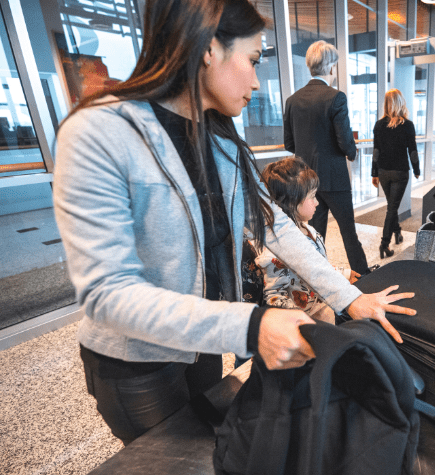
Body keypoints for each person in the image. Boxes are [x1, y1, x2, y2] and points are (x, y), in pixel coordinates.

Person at [52, 0, 415, 445]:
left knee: (215, 449)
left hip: (202, 344)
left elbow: (276, 226)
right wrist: (250, 325)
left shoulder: (219, 135)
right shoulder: (99, 132)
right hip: (137, 364)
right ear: (209, 49)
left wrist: (350, 299)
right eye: (253, 59)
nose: (257, 80)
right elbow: (107, 294)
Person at [283, 40, 369, 275]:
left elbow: (289, 143)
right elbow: (345, 141)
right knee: (348, 233)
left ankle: (316, 278)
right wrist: (353, 153)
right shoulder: (336, 98)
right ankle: (363, 277)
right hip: (335, 179)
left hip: (306, 181)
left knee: (314, 233)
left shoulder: (292, 101)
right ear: (331, 67)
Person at [256, 157, 359, 324]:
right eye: (312, 197)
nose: (317, 202)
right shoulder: (274, 253)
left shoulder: (308, 229)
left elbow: (316, 265)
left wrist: (343, 273)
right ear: (291, 202)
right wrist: (302, 323)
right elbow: (274, 297)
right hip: (310, 322)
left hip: (324, 306)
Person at [371, 89, 420, 258]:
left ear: (386, 104)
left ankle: (398, 233)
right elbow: (412, 151)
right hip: (400, 172)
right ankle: (384, 244)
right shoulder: (407, 125)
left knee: (392, 205)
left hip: (384, 172)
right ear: (401, 102)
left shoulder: (379, 125)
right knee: (392, 207)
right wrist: (417, 170)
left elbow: (376, 151)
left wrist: (374, 173)